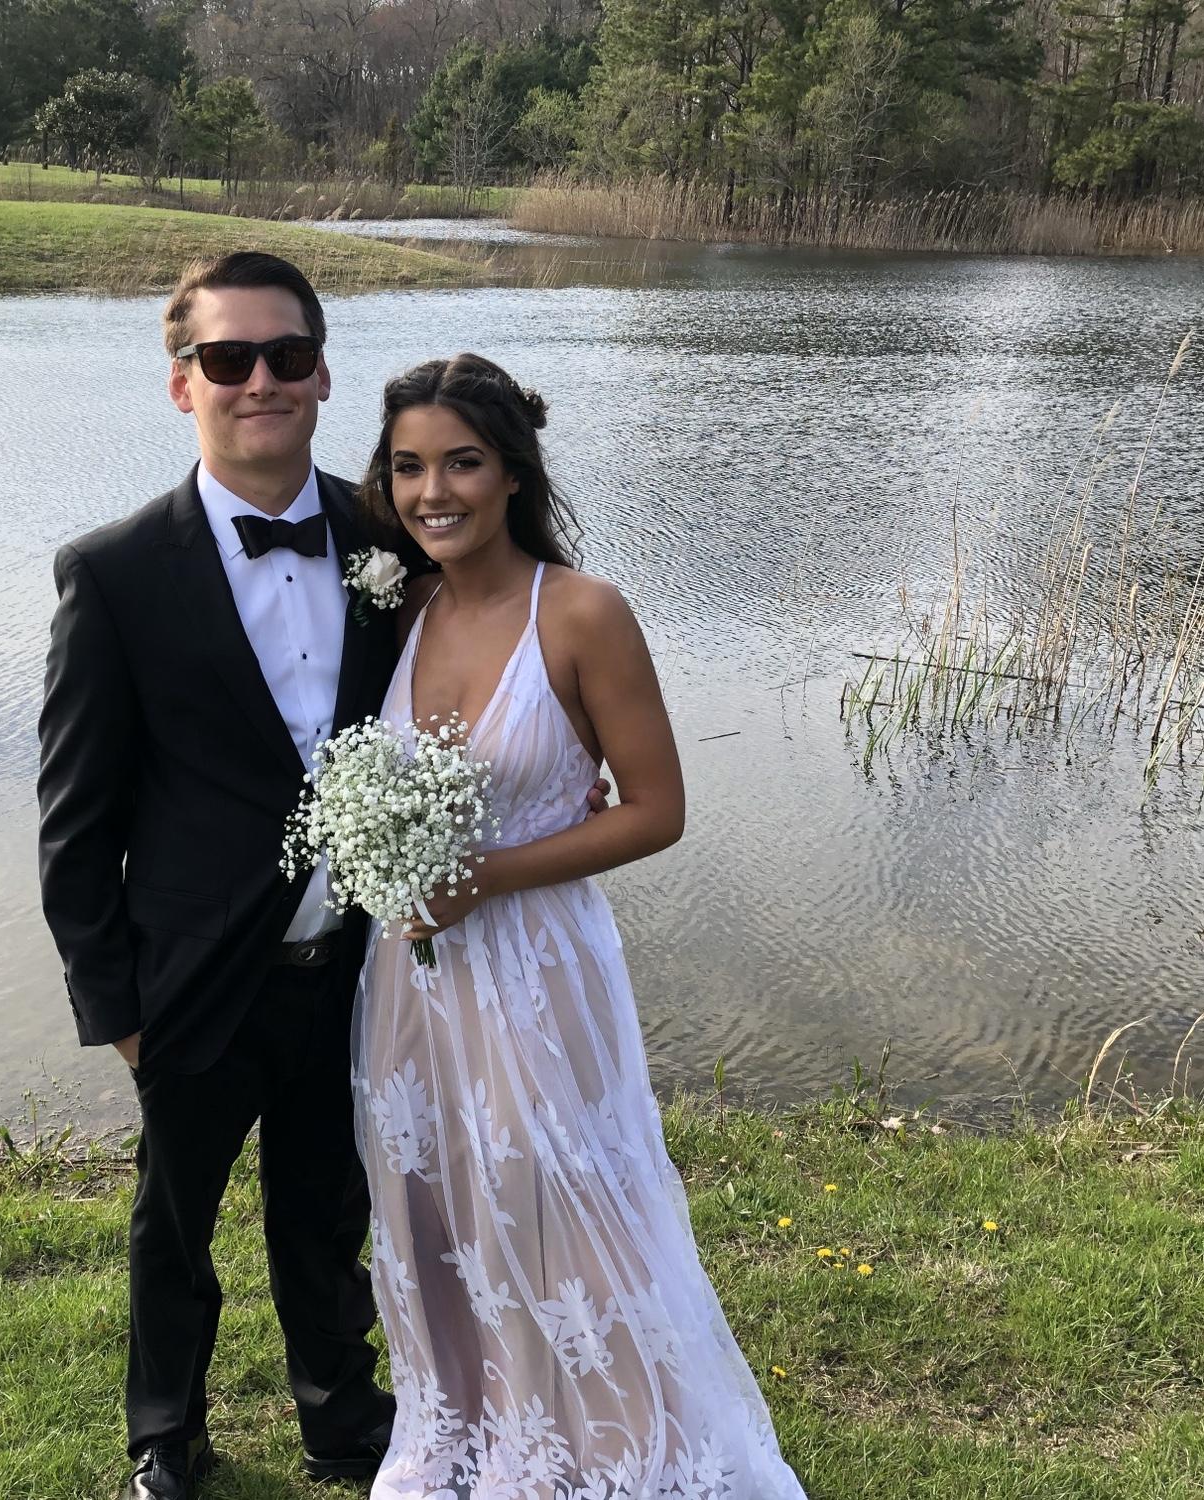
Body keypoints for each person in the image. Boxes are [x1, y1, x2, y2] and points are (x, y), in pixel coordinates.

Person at [351, 354, 809, 1499]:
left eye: (462, 462)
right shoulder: (400, 604)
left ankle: (616, 1452)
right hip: (408, 977)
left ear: (513, 472)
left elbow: (657, 812)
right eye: (408, 467)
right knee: (439, 1205)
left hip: (537, 968)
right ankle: (480, 1435)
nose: (433, 492)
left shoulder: (586, 614)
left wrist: (486, 875)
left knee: (559, 1206)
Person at [36, 252, 400, 1500]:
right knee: (173, 1227)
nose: (261, 382)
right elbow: (75, 825)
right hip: (189, 980)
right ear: (180, 384)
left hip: (352, 967)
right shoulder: (115, 574)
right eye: (229, 359)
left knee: (324, 1210)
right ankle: (165, 1435)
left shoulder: (392, 539)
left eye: (286, 357)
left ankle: (341, 1420)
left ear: (322, 375)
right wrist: (116, 1012)